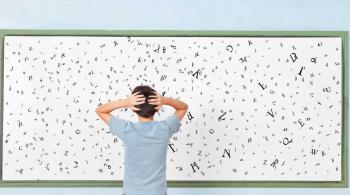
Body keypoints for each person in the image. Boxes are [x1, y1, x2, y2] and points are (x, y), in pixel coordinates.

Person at [95, 85, 188, 195]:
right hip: (157, 192)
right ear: (157, 108)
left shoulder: (126, 130)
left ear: (134, 108)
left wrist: (125, 102)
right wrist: (164, 100)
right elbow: (183, 107)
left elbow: (100, 110)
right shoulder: (165, 129)